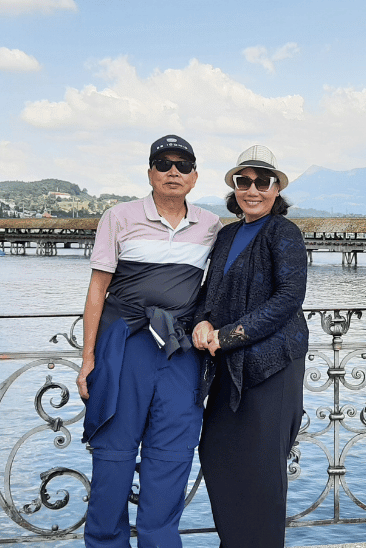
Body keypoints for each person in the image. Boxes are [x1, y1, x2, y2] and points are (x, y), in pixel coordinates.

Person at [76, 134, 221, 548]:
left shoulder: (211, 226)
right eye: (163, 164)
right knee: (113, 460)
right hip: (125, 347)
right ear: (150, 173)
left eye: (183, 165)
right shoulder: (118, 217)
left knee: (171, 460)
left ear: (194, 177)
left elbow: (221, 287)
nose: (173, 171)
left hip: (180, 352)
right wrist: (88, 359)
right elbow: (96, 291)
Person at [192, 144, 309, 547]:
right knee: (218, 455)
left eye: (263, 181)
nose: (253, 189)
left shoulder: (284, 232)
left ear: (277, 189)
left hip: (272, 367)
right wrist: (203, 322)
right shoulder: (226, 235)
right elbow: (210, 292)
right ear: (235, 188)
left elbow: (289, 297)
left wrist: (230, 335)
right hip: (227, 366)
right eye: (244, 181)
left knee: (261, 473)